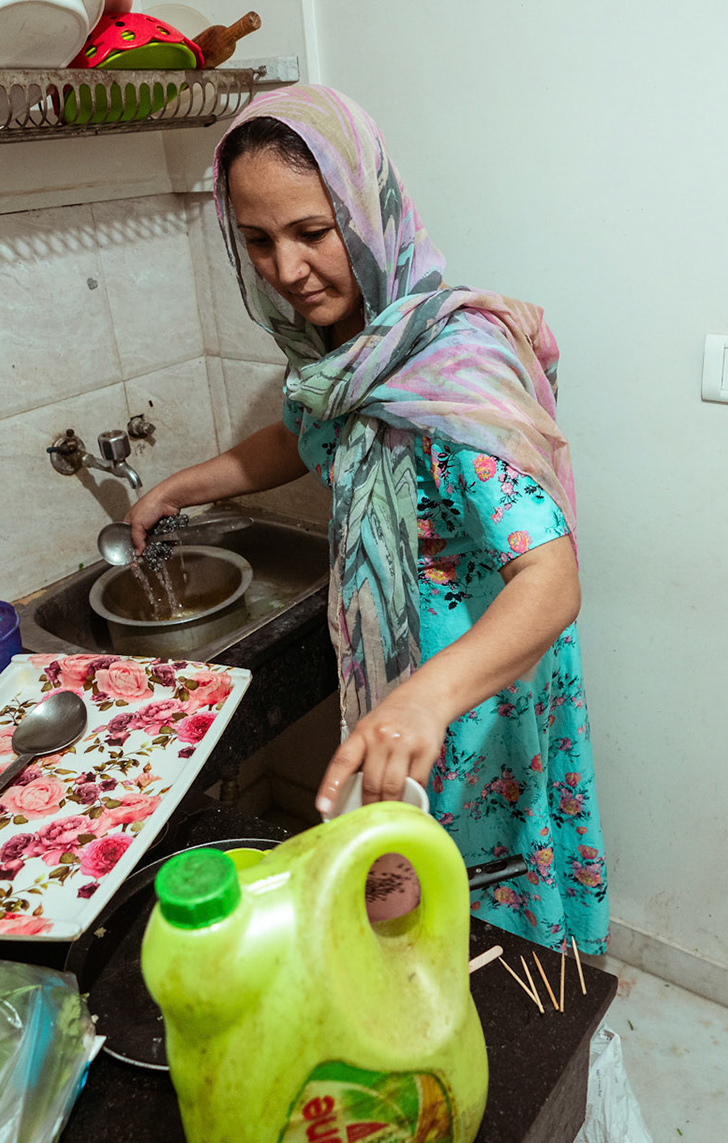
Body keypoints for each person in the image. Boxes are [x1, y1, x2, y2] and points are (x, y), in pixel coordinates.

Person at [126, 86, 606, 952]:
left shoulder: (456, 366)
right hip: (396, 687)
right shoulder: (338, 359)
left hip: (473, 695)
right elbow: (299, 437)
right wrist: (179, 487)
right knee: (413, 908)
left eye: (312, 233)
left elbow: (554, 579)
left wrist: (425, 701)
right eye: (257, 241)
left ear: (368, 209)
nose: (286, 269)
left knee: (481, 921)